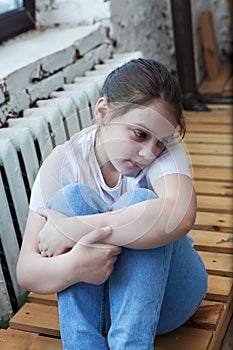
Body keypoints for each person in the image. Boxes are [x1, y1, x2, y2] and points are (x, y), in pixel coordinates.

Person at [17, 58, 208, 350]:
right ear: (103, 112)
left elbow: (179, 217)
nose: (149, 153)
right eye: (140, 135)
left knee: (142, 202)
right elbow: (26, 271)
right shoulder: (63, 162)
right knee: (72, 199)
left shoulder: (165, 151)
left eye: (160, 141)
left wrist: (75, 229)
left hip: (168, 300)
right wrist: (74, 265)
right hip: (101, 311)